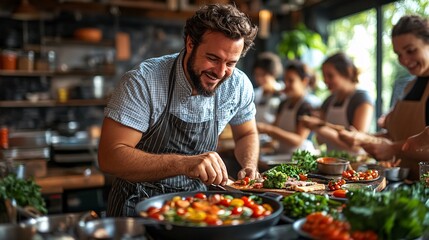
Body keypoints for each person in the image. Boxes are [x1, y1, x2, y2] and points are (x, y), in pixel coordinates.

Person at [98, 4, 260, 217]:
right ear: (190, 43)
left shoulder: (238, 85)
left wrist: (249, 165)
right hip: (137, 206)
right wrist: (184, 164)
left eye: (231, 63)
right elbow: (110, 157)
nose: (221, 72)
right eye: (213, 58)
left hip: (197, 207)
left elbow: (247, 133)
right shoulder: (143, 81)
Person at [339, 15, 429, 180]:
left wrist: (393, 149)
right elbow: (396, 135)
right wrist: (364, 138)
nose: (404, 60)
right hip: (404, 182)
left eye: (410, 50)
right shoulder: (409, 87)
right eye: (398, 54)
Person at [300, 52, 374, 154]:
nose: (326, 81)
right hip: (331, 162)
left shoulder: (362, 99)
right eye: (324, 76)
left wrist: (319, 127)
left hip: (356, 164)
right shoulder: (329, 101)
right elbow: (320, 141)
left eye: (330, 76)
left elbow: (357, 144)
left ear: (347, 72)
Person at [257, 60, 317, 155]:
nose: (287, 84)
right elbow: (275, 128)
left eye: (291, 81)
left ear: (304, 81)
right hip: (282, 155)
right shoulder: (283, 103)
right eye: (285, 80)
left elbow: (298, 140)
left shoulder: (307, 107)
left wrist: (268, 129)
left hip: (301, 157)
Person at [252, 52, 284, 124]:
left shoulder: (282, 93)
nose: (259, 79)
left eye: (263, 75)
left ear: (273, 73)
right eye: (257, 75)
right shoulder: (255, 94)